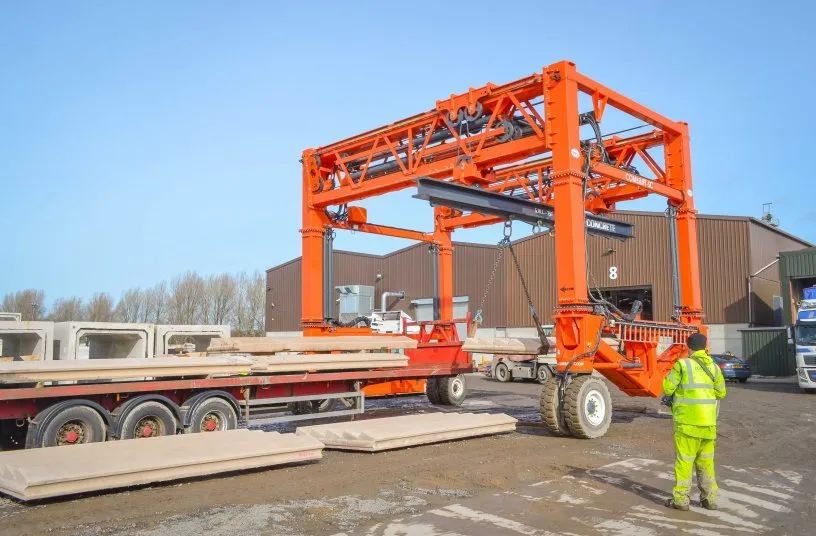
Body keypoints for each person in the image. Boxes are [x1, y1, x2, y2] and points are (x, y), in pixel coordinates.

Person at [662, 332, 727, 511]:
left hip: (687, 423)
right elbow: (721, 393)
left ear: (688, 348)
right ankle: (709, 500)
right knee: (706, 462)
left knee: (684, 462)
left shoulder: (682, 365)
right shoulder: (714, 367)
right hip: (709, 424)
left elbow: (667, 388)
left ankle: (681, 500)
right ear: (705, 347)